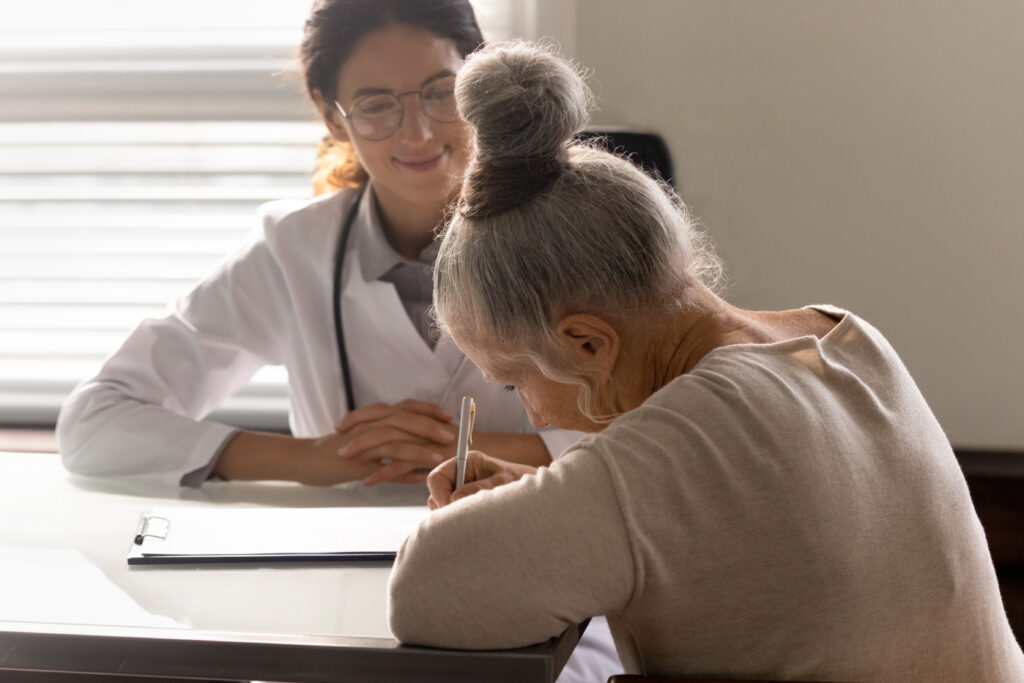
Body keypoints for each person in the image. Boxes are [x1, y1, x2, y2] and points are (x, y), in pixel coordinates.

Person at [387, 41, 1024, 681]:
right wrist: (548, 506)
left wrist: (552, 507)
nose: (529, 409)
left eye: (514, 380)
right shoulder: (848, 340)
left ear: (587, 343)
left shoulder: (675, 446)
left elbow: (426, 591)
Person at [55, 2, 622, 681]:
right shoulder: (294, 251)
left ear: (477, 83)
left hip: (549, 602)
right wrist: (323, 456)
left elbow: (654, 445)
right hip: (339, 608)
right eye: (377, 104)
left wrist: (467, 452)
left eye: (441, 92)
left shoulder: (572, 240)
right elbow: (94, 423)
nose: (417, 130)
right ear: (333, 117)